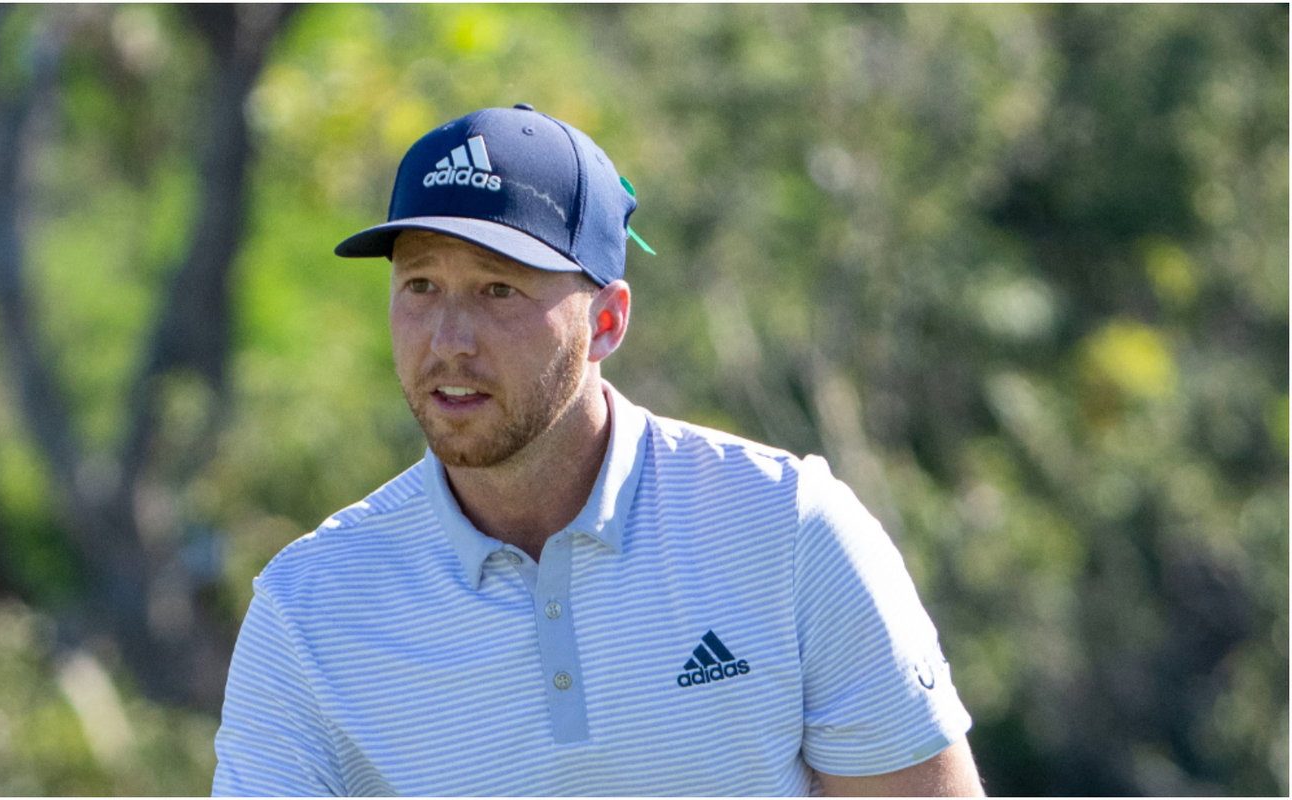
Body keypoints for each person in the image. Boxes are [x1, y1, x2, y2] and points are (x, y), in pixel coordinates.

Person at [212, 104, 985, 796]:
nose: (448, 341)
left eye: (498, 291)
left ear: (607, 322)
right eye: (420, 286)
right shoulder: (308, 607)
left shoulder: (786, 531)